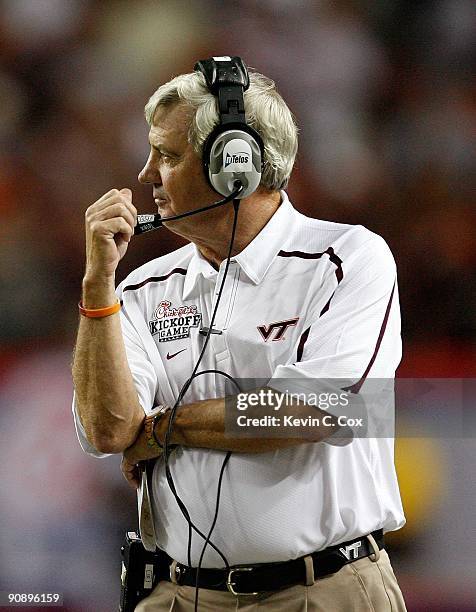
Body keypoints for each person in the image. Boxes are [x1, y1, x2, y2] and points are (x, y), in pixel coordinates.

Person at [72, 57, 407, 611]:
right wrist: (97, 286)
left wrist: (160, 429)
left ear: (238, 165)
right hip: (176, 594)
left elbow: (316, 411)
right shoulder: (138, 288)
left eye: (168, 155)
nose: (146, 174)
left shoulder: (345, 259)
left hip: (324, 591)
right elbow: (108, 431)